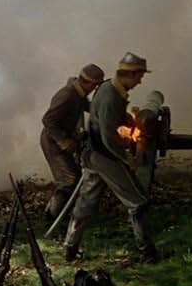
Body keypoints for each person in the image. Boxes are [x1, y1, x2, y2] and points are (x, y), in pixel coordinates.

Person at [63, 52, 161, 263]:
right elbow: (108, 137)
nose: (140, 81)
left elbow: (110, 120)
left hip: (93, 155)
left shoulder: (111, 89)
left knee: (86, 203)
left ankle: (70, 248)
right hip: (105, 156)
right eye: (139, 76)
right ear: (131, 74)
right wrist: (127, 158)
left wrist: (127, 119)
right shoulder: (110, 96)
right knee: (137, 202)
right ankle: (148, 253)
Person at [40, 64, 105, 222]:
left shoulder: (78, 94)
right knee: (69, 181)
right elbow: (48, 120)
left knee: (72, 179)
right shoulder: (68, 94)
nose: (95, 89)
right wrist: (63, 140)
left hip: (62, 140)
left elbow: (89, 107)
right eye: (95, 85)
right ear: (89, 83)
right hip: (53, 142)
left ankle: (58, 215)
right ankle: (51, 218)